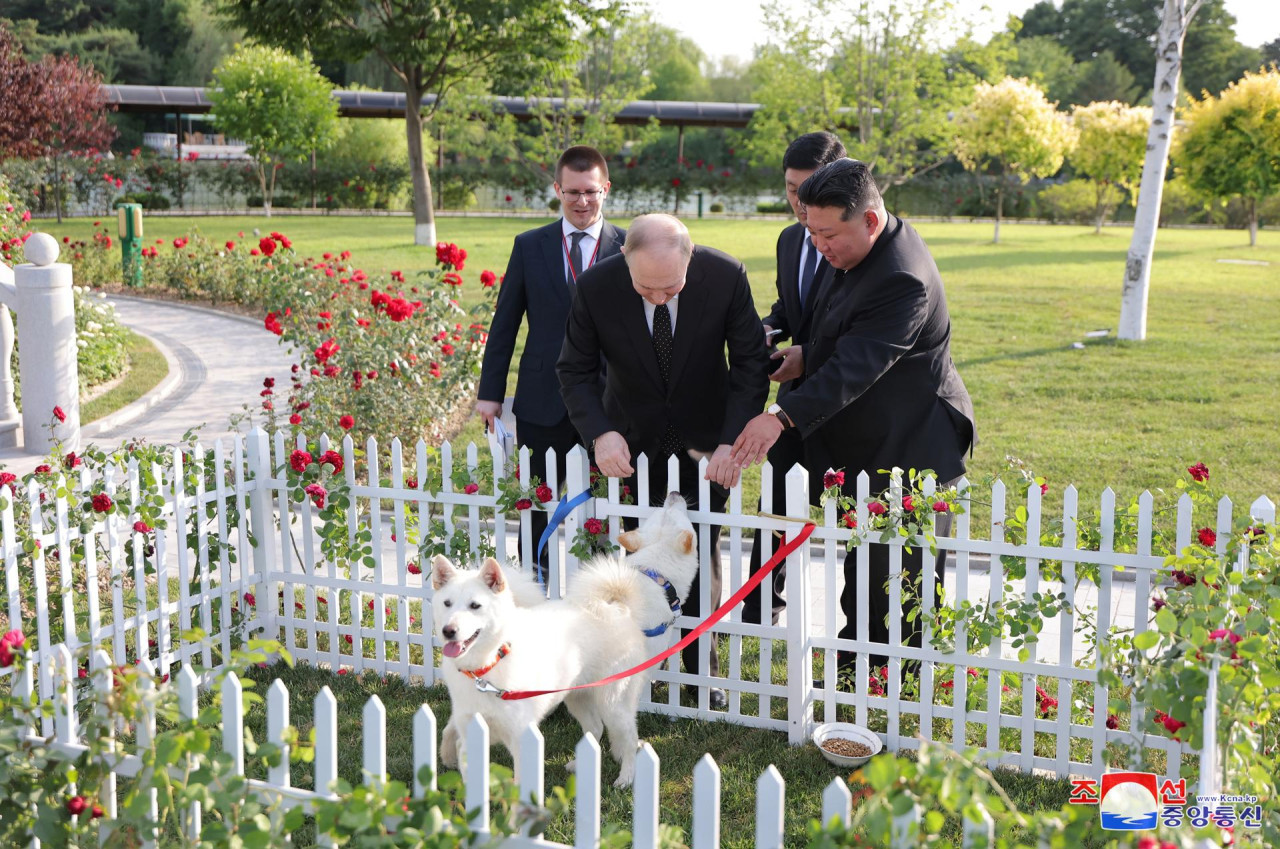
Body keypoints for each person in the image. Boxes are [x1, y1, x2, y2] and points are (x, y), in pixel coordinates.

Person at [730, 158, 975, 678]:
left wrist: (780, 416)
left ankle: (891, 680)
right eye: (809, 231)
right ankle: (856, 667)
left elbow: (858, 365)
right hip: (867, 440)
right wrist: (803, 357)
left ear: (868, 219)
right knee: (863, 566)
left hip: (912, 444)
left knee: (895, 576)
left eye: (826, 233)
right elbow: (836, 331)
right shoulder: (853, 250)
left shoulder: (902, 277)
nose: (817, 245)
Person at [558, 214, 770, 708]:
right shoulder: (596, 286)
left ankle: (702, 676)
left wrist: (730, 440)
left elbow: (749, 365)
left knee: (699, 552)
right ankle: (636, 669)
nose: (658, 297)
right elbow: (574, 369)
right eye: (645, 288)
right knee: (638, 560)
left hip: (706, 447)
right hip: (631, 445)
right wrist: (601, 434)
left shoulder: (726, 276)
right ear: (624, 260)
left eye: (669, 287)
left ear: (690, 259)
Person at [476, 146, 625, 578]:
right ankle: (535, 585)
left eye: (592, 192)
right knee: (534, 504)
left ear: (606, 189)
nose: (582, 201)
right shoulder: (530, 246)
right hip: (542, 401)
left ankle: (597, 588)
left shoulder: (628, 244)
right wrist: (490, 395)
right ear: (557, 189)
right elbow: (505, 323)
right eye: (573, 192)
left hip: (606, 401)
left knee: (601, 504)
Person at [742, 131, 847, 627]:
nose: (801, 204)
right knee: (774, 508)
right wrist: (769, 328)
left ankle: (859, 624)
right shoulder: (788, 239)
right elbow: (792, 307)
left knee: (853, 518)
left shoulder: (852, 243)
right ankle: (763, 607)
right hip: (792, 397)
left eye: (811, 190)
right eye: (791, 190)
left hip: (848, 398)